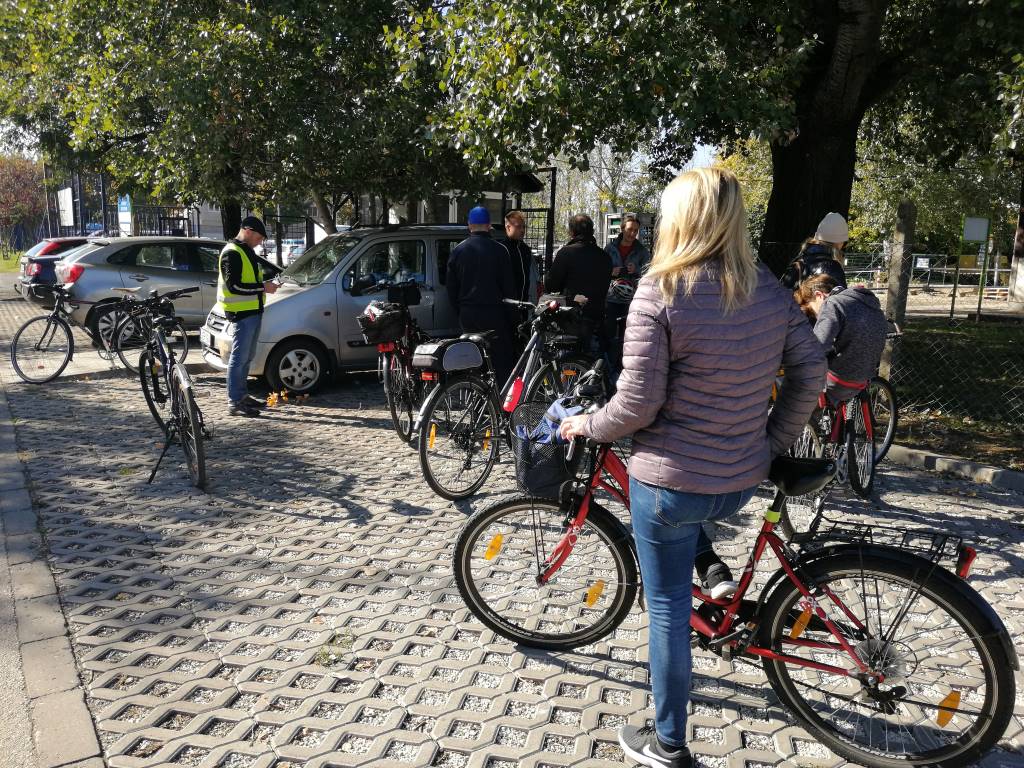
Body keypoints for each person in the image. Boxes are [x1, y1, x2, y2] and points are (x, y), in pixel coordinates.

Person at [558, 168, 825, 768]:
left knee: (669, 611)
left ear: (678, 218)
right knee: (690, 538)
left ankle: (670, 744)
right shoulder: (768, 289)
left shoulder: (661, 291)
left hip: (670, 484)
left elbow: (636, 406)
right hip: (739, 483)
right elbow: (811, 374)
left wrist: (585, 425)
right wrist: (769, 442)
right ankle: (721, 578)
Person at [217, 215, 279, 417]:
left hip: (252, 311)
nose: (260, 242)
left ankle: (241, 396)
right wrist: (263, 287)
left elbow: (247, 281)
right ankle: (234, 401)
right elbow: (234, 287)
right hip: (241, 313)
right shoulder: (232, 253)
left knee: (246, 357)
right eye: (259, 238)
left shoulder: (245, 251)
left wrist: (266, 284)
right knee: (239, 357)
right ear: (248, 231)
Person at [795, 273, 889, 404]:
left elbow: (817, 348)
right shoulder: (869, 303)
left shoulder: (832, 303)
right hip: (865, 378)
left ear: (819, 295)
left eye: (811, 311)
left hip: (839, 381)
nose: (815, 317)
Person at [446, 206, 516, 383]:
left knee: (472, 360)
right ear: (489, 225)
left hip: (468, 314)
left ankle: (476, 397)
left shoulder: (458, 251)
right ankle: (500, 403)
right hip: (495, 314)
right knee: (500, 361)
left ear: (469, 225)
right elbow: (509, 289)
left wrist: (461, 311)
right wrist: (514, 320)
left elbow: (451, 289)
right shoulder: (500, 250)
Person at [546, 214, 613, 334]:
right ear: (592, 231)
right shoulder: (605, 256)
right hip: (597, 318)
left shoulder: (565, 253)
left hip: (570, 316)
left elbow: (552, 285)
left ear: (571, 232)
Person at [604, 213, 652, 368]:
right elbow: (599, 271)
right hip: (611, 299)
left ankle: (624, 366)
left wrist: (637, 270)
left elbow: (649, 275)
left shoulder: (642, 251)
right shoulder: (610, 248)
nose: (633, 234)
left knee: (629, 336)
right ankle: (608, 367)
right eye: (630, 230)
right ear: (622, 229)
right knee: (609, 335)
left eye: (636, 231)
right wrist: (610, 271)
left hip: (631, 301)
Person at [780, 211, 850, 289]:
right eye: (844, 242)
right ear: (839, 242)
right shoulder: (832, 267)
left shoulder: (799, 259)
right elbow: (841, 300)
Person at [496, 210, 538, 304]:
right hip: (505, 306)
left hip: (524, 304)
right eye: (518, 226)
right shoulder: (501, 249)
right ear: (508, 227)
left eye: (524, 227)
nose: (522, 230)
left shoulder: (525, 249)